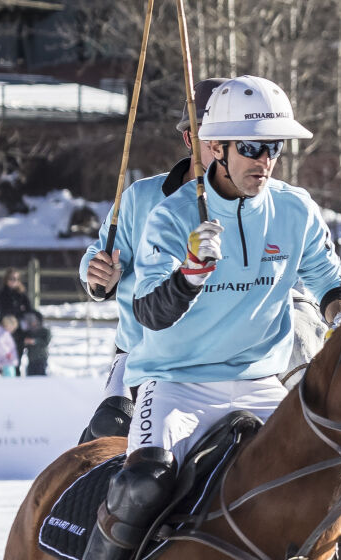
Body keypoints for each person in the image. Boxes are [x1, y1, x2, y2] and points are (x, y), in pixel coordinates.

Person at [37, 75, 341, 560]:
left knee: (329, 488)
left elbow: (325, 276)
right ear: (219, 147)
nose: (265, 161)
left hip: (261, 381)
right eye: (252, 148)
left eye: (274, 149)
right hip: (176, 380)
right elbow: (150, 312)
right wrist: (190, 272)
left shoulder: (294, 209)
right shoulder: (170, 213)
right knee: (143, 482)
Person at [79, 77, 228, 442]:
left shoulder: (259, 206)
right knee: (107, 433)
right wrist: (98, 276)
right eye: (212, 137)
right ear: (189, 139)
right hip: (140, 353)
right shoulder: (140, 196)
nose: (223, 148)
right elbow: (96, 259)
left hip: (221, 359)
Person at [16, 309, 51, 376]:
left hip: (41, 359)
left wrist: (34, 341)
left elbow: (45, 342)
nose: (30, 323)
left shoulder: (45, 331)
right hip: (31, 359)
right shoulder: (29, 332)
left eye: (32, 320)